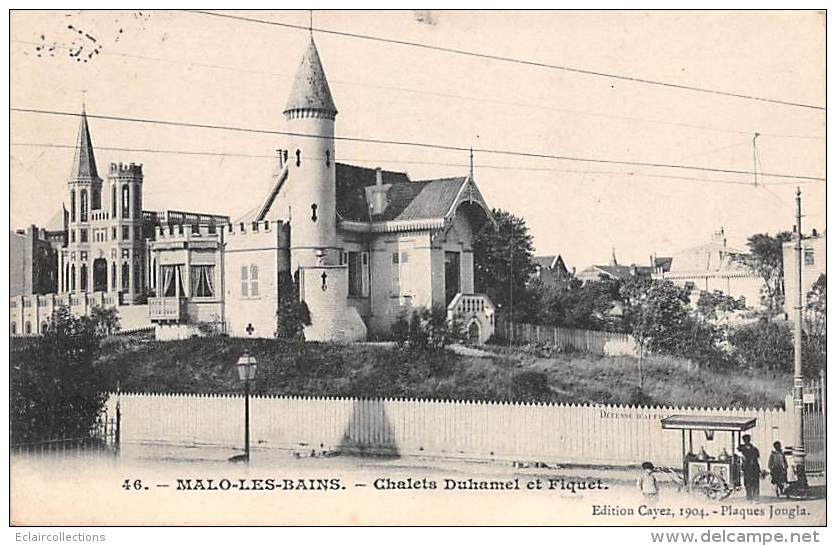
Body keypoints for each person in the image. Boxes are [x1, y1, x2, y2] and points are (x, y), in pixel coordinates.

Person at [738, 434, 761, 501]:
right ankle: (749, 497)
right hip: (747, 467)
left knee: (755, 483)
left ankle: (756, 497)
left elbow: (757, 457)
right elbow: (738, 453)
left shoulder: (754, 449)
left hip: (754, 467)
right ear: (743, 440)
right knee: (747, 483)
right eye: (745, 440)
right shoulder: (741, 448)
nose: (747, 441)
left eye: (748, 439)